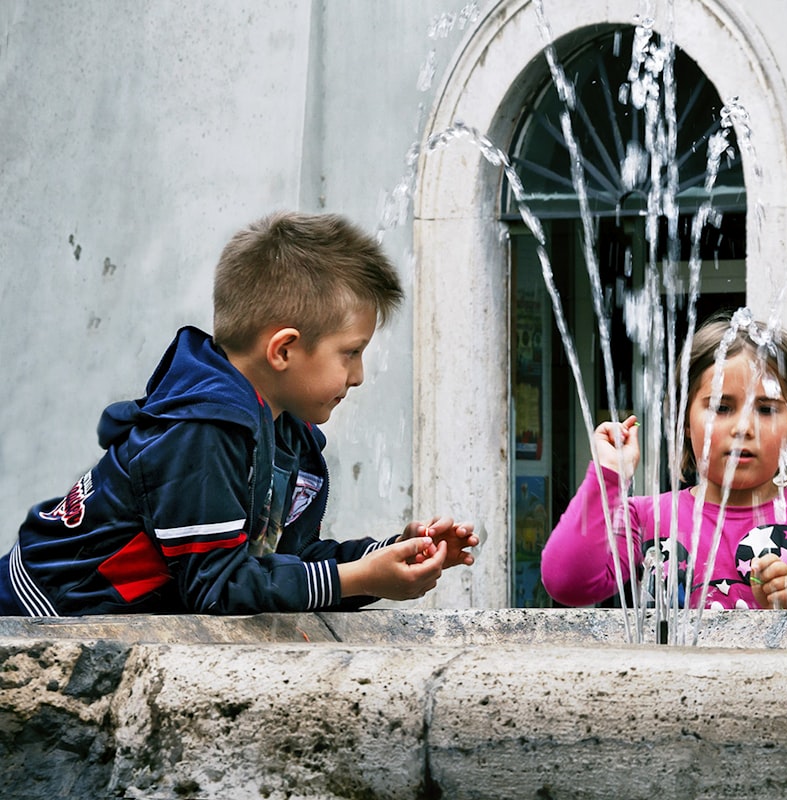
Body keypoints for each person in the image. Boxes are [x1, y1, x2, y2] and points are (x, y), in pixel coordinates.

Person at [0, 211, 478, 616]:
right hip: (43, 621)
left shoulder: (285, 431)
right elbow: (220, 588)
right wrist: (353, 578)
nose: (359, 376)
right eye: (350, 353)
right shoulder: (202, 431)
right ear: (284, 349)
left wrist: (390, 556)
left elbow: (284, 560)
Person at [541, 311, 787, 611]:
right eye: (722, 408)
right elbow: (566, 582)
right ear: (683, 418)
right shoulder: (645, 519)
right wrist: (608, 476)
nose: (743, 428)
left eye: (766, 409)